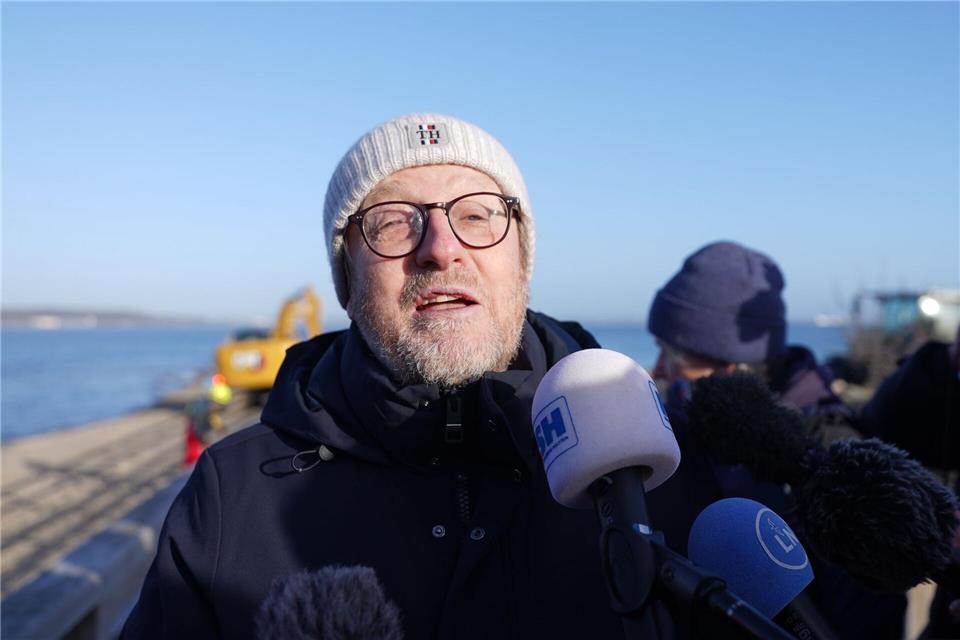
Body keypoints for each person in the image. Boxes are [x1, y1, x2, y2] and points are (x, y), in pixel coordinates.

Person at [121, 113, 623, 639]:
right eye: (392, 221)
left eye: (477, 216)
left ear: (521, 260)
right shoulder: (232, 500)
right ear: (346, 282)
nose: (441, 248)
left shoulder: (651, 466)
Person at [642, 240, 907, 639]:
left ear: (729, 366)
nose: (658, 370)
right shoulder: (688, 433)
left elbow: (869, 616)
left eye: (672, 354)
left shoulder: (833, 457)